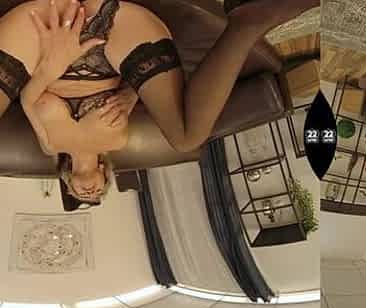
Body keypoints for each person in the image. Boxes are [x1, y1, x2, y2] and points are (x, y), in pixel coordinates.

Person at [0, 0, 317, 202]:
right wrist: (132, 91)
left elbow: (28, 100)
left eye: (81, 195)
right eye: (98, 194)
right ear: (106, 175)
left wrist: (53, 65)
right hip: (109, 34)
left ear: (67, 183)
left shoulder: (50, 147)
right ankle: (248, 22)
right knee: (186, 138)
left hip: (43, 39)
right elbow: (140, 87)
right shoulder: (116, 139)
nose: (90, 192)